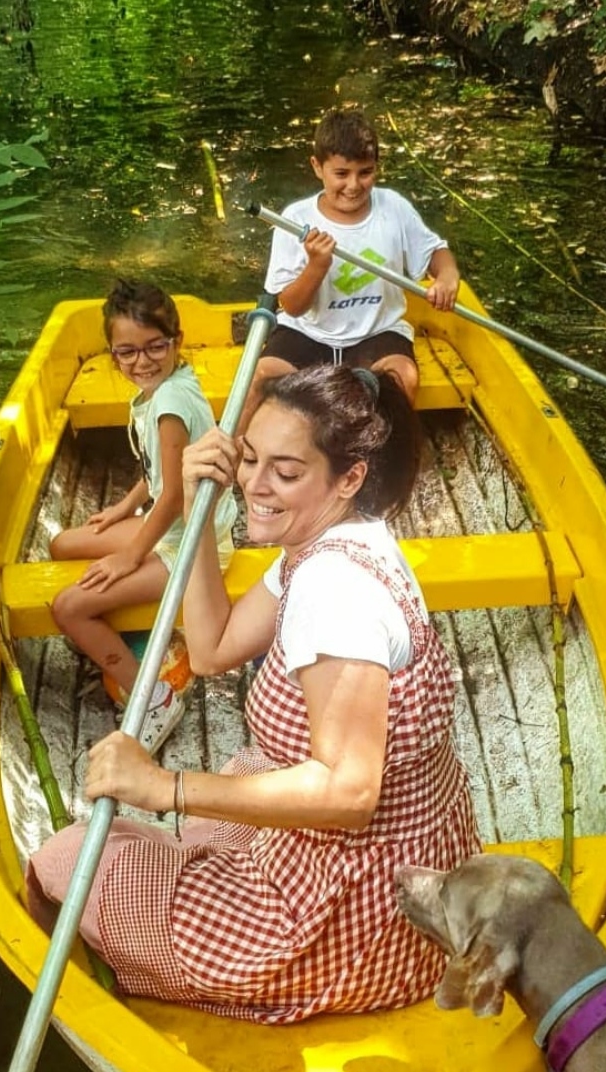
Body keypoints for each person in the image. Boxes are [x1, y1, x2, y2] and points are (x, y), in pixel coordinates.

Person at [27, 363, 481, 1024]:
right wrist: (194, 498)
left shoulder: (335, 592)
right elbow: (211, 647)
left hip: (352, 921)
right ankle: (168, 934)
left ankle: (148, 993)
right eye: (250, 458)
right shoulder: (336, 537)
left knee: (60, 863)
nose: (255, 486)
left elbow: (349, 796)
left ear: (349, 477)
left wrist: (165, 786)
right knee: (228, 792)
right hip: (394, 872)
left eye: (286, 472)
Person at [49, 279, 238, 754]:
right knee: (62, 546)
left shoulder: (169, 405)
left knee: (68, 607)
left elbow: (174, 496)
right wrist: (125, 506)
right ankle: (132, 625)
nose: (141, 362)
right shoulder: (162, 387)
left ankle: (154, 695)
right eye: (127, 353)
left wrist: (128, 558)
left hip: (194, 543)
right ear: (113, 354)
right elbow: (159, 472)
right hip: (168, 523)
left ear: (176, 341)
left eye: (155, 347)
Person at [242, 107, 461, 430]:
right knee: (260, 378)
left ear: (377, 168)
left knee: (403, 377)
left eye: (365, 172)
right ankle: (236, 463)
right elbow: (291, 306)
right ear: (318, 167)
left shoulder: (394, 208)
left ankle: (381, 462)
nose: (354, 185)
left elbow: (436, 252)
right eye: (341, 174)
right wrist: (317, 265)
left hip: (377, 331)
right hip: (309, 331)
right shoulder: (296, 218)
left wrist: (447, 276)